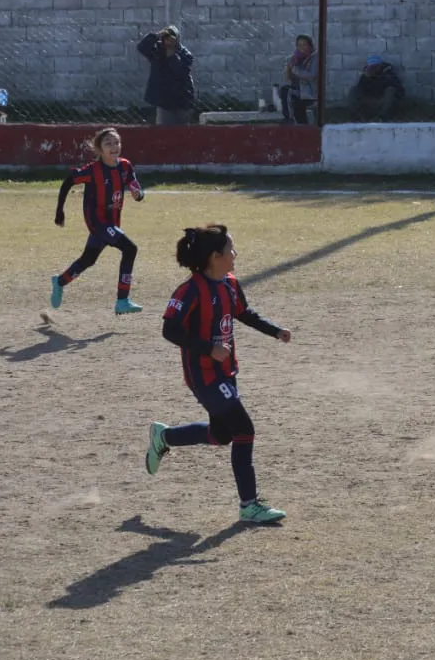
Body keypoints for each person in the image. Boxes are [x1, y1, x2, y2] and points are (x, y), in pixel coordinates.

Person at [144, 224, 291, 524]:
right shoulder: (190, 290)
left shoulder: (230, 283)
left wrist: (275, 331)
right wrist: (208, 349)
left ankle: (164, 436)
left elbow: (243, 313)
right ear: (214, 256)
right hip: (204, 376)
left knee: (221, 434)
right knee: (244, 430)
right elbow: (169, 330)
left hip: (226, 371)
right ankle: (249, 505)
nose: (235, 254)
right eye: (230, 250)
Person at [51, 127, 145, 315]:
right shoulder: (92, 171)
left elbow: (137, 189)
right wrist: (60, 210)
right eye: (108, 143)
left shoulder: (125, 166)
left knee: (88, 260)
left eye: (116, 142)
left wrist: (138, 193)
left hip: (112, 224)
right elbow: (68, 181)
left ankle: (60, 281)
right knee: (130, 248)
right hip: (98, 223)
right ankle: (122, 300)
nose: (113, 146)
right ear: (99, 149)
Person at [137, 25, 196, 126]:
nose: (168, 42)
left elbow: (179, 71)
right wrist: (156, 36)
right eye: (166, 39)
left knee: (182, 129)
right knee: (164, 128)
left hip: (182, 98)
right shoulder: (158, 51)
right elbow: (142, 47)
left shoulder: (185, 54)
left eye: (172, 39)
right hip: (164, 100)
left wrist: (171, 55)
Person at [279, 34, 317, 125]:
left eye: (304, 45)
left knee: (286, 90)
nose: (302, 48)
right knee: (289, 96)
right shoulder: (297, 58)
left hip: (309, 92)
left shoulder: (315, 58)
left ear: (310, 46)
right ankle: (301, 127)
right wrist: (288, 68)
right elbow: (289, 78)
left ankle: (289, 119)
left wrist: (295, 69)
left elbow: (312, 75)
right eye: (299, 45)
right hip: (298, 91)